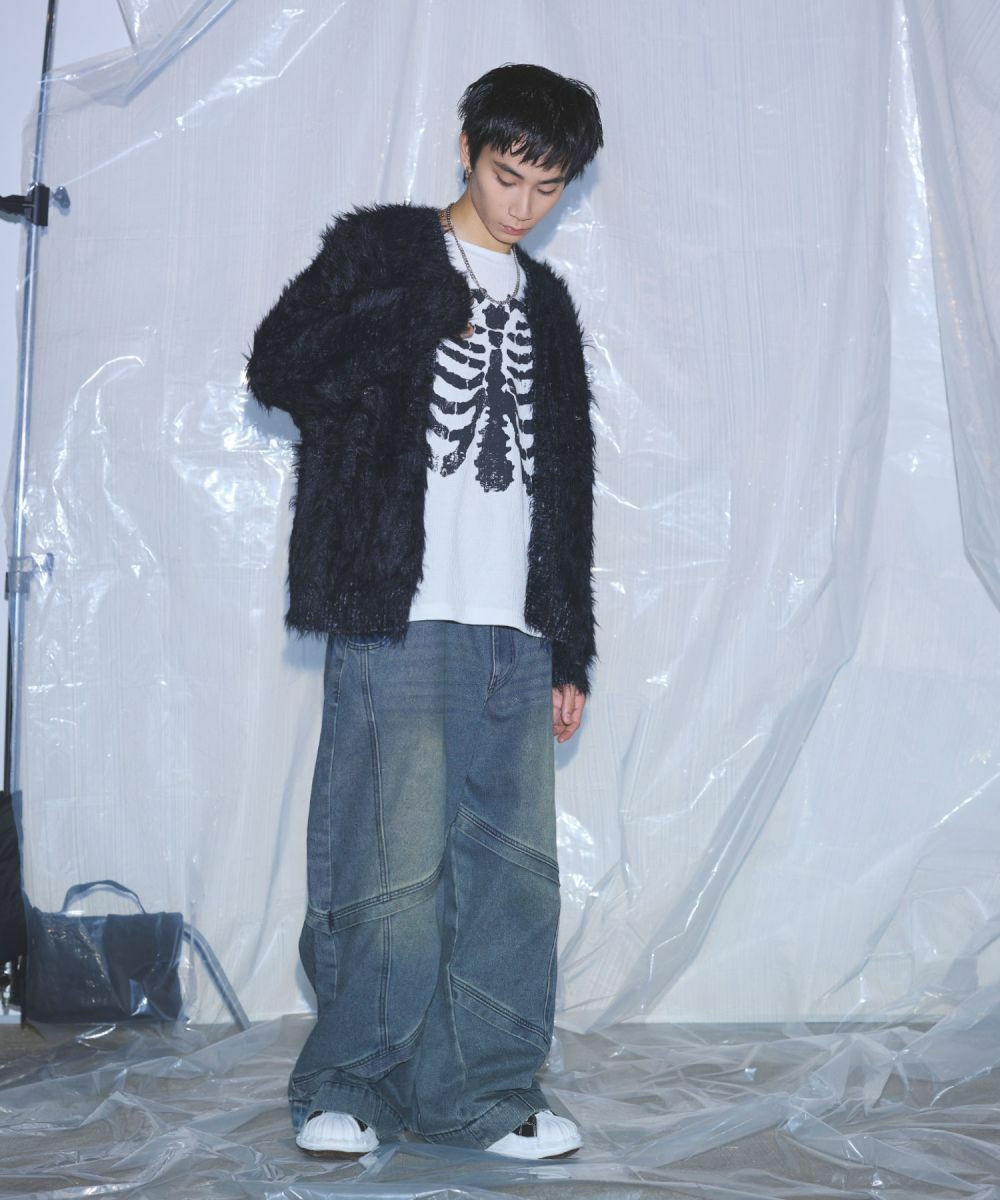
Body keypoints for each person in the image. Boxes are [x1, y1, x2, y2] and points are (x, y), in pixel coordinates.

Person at [245, 62, 603, 1160]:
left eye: (548, 186)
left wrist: (569, 643)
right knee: (385, 860)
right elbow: (278, 366)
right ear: (466, 150)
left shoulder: (547, 303)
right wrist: (407, 322)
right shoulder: (386, 251)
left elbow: (568, 477)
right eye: (506, 175)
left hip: (516, 625)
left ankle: (482, 1093)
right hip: (397, 609)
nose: (523, 205)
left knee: (510, 872)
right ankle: (350, 1082)